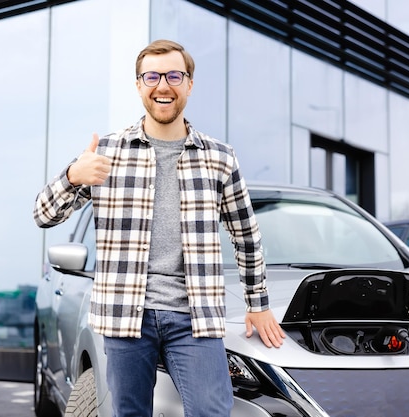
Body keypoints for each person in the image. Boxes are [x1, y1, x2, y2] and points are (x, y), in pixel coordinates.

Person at [33, 39, 285, 417]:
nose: (162, 85)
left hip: (195, 318)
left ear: (189, 84)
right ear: (138, 85)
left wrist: (258, 304)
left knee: (212, 412)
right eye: (152, 76)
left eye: (173, 75)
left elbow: (246, 235)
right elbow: (43, 214)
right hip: (125, 316)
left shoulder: (219, 158)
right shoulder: (108, 152)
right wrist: (72, 176)